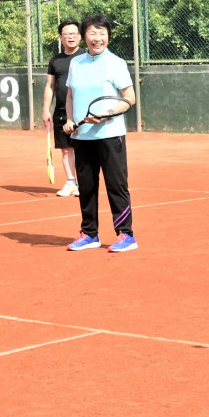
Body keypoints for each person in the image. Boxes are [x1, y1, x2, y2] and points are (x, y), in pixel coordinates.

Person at [63, 14, 138, 253]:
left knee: (116, 185)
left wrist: (106, 114)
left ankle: (126, 235)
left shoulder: (116, 63)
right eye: (93, 33)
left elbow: (129, 98)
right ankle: (89, 234)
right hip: (82, 136)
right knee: (86, 187)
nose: (98, 38)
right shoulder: (76, 63)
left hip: (109, 134)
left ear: (108, 36)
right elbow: (71, 96)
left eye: (102, 33)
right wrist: (71, 119)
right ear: (85, 36)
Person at [41, 21, 83, 197]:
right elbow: (50, 86)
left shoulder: (86, 57)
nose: (71, 37)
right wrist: (45, 109)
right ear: (61, 37)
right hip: (60, 111)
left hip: (81, 110)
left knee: (82, 148)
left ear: (80, 36)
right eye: (67, 34)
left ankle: (84, 183)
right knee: (66, 149)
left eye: (74, 33)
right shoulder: (55, 60)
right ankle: (71, 182)